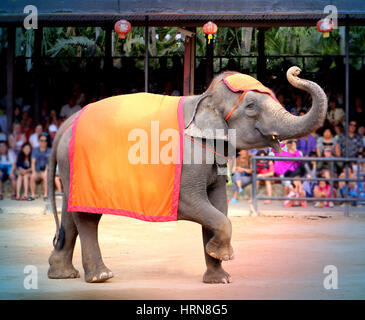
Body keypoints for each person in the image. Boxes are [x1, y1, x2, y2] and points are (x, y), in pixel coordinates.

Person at [29, 133, 51, 201]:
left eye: (45, 140)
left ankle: (45, 195)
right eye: (42, 140)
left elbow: (49, 163)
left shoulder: (49, 150)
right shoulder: (35, 150)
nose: (43, 142)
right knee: (32, 176)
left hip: (45, 171)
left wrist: (45, 172)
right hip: (37, 170)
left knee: (45, 176)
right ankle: (32, 195)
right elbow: (33, 162)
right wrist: (33, 172)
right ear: (38, 141)